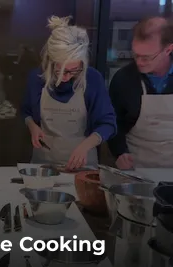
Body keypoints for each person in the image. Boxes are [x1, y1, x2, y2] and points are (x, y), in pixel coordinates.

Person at [21, 16, 117, 170]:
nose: (66, 77)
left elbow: (108, 124)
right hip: (44, 164)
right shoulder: (36, 78)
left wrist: (86, 145)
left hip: (82, 164)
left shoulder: (92, 79)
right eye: (60, 70)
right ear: (50, 60)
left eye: (74, 70)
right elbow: (25, 111)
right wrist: (32, 126)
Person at [107, 16, 173, 169]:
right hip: (136, 170)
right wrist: (119, 152)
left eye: (147, 57)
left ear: (168, 49)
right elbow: (113, 122)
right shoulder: (123, 80)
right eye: (136, 55)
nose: (139, 62)